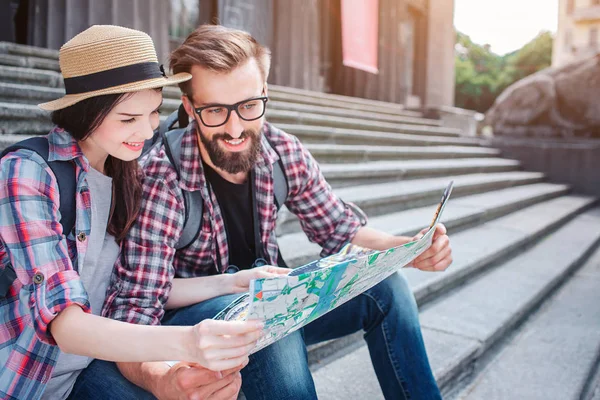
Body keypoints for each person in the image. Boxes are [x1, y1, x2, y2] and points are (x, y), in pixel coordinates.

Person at [102, 25, 453, 400]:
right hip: (194, 325)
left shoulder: (283, 151)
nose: (235, 129)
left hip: (269, 304)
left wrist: (409, 249)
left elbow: (337, 225)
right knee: (266, 320)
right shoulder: (162, 177)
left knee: (389, 288)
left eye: (249, 106)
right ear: (189, 107)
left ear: (265, 94)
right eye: (215, 111)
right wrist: (161, 379)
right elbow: (138, 304)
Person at [0, 25, 280, 400]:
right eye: (128, 118)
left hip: (91, 366)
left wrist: (232, 281)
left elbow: (130, 290)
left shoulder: (126, 170)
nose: (147, 131)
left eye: (152, 113)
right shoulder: (27, 173)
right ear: (87, 114)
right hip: (31, 378)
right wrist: (187, 343)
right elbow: (65, 325)